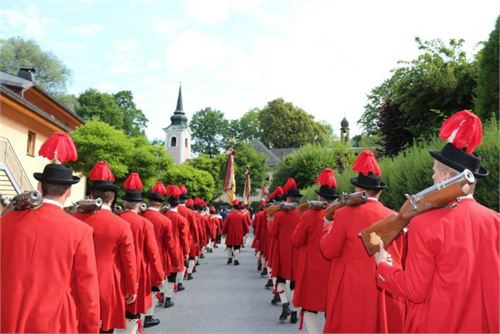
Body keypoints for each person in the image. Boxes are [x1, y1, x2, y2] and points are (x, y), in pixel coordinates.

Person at [374, 110, 499, 332]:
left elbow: (415, 290)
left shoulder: (425, 224)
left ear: (448, 178)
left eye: (434, 173)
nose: (432, 177)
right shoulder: (495, 221)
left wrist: (383, 265)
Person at [1, 132, 100, 333]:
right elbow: (87, 287)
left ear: (40, 186)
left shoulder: (6, 221)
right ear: (69, 191)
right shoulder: (80, 230)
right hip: (54, 320)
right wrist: (91, 326)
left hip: (7, 314)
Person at [320, 150, 404, 333]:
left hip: (352, 292)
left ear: (358, 190)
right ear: (379, 192)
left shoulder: (343, 214)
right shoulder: (395, 216)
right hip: (384, 288)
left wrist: (327, 226)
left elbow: (328, 250)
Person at [85, 161, 138, 333]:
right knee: (105, 327)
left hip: (74, 281)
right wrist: (131, 287)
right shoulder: (121, 225)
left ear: (92, 195)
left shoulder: (75, 218)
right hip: (108, 281)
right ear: (113, 198)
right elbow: (129, 260)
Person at [291, 168, 337, 333]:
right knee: (331, 309)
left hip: (311, 269)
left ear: (319, 196)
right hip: (334, 270)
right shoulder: (343, 213)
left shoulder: (309, 215)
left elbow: (296, 241)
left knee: (310, 308)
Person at [119, 173, 164, 332]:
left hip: (116, 271)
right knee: (133, 312)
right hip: (138, 271)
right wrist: (159, 276)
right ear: (139, 204)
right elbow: (153, 253)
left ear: (124, 202)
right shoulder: (144, 223)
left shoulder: (117, 219)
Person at [141, 182, 176, 317]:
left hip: (140, 255)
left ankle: (139, 317)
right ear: (160, 204)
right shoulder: (165, 220)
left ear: (149, 201)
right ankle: (149, 315)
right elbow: (170, 244)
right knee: (154, 285)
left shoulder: (140, 215)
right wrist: (175, 260)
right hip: (159, 255)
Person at [269, 178, 302, 324]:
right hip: (297, 252)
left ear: (287, 198)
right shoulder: (302, 214)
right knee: (295, 282)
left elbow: (273, 233)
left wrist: (270, 220)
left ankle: (285, 303)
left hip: (282, 251)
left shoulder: (279, 215)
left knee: (281, 280)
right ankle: (294, 312)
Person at [163, 185, 190, 308]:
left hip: (163, 248)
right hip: (176, 248)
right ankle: (168, 298)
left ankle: (161, 295)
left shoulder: (163, 215)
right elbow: (184, 237)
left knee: (163, 274)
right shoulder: (181, 218)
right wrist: (186, 251)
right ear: (178, 204)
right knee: (172, 276)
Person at [177, 186, 200, 285]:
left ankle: (173, 283)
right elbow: (194, 228)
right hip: (187, 238)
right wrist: (196, 240)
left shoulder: (170, 211)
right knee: (189, 258)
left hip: (174, 239)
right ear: (185, 201)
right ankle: (185, 277)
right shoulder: (190, 212)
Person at [223, 199, 249, 265]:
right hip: (239, 233)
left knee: (229, 246)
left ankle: (229, 258)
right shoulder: (242, 215)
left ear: (233, 208)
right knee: (237, 246)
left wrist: (223, 232)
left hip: (230, 233)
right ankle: (236, 259)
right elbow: (245, 225)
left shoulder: (229, 215)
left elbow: (225, 225)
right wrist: (246, 232)